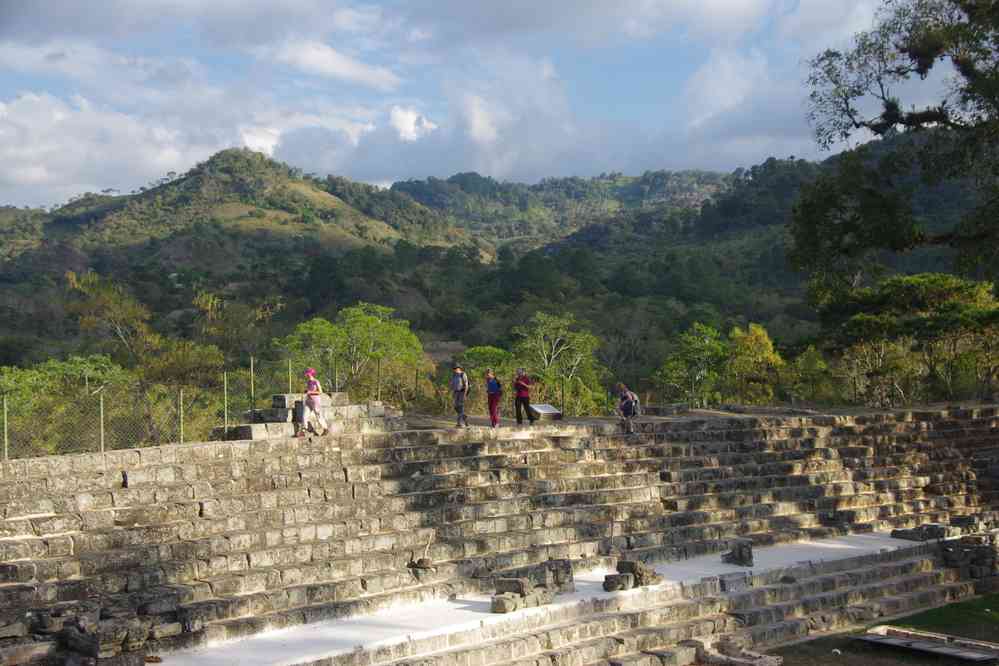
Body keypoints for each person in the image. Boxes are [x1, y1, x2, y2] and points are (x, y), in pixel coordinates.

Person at [298, 368, 329, 437]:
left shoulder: (316, 381)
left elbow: (320, 392)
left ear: (311, 373)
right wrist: (306, 391)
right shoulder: (308, 382)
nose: (306, 375)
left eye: (308, 373)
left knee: (318, 416)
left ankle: (325, 429)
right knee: (304, 416)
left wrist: (310, 392)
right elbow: (309, 390)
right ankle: (303, 430)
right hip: (308, 401)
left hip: (315, 401)